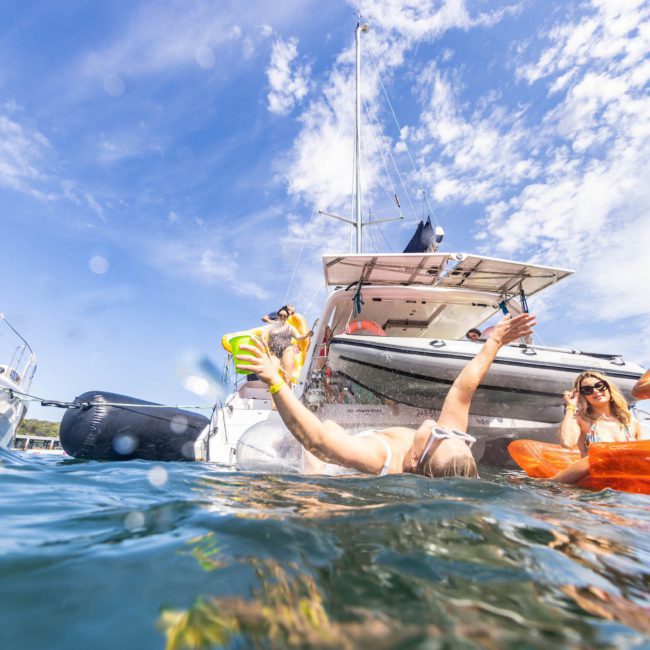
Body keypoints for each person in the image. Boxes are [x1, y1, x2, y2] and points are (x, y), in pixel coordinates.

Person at [237, 313, 536, 478]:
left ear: (415, 459)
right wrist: (494, 342)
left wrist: (274, 381)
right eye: (456, 435)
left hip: (324, 467)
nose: (442, 429)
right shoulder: (444, 442)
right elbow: (462, 391)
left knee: (317, 458)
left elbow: (318, 443)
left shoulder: (382, 458)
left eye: (440, 437)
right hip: (347, 442)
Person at [552, 371, 643, 484]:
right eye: (587, 390)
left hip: (626, 484)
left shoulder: (629, 421)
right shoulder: (581, 420)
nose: (595, 391)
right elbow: (567, 442)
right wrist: (571, 406)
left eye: (599, 386)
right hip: (593, 486)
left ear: (608, 388)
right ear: (583, 396)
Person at [265, 306, 313, 382]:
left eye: (285, 316)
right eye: (281, 315)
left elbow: (298, 337)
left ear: (287, 317)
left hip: (286, 350)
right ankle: (276, 391)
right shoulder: (271, 327)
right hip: (274, 352)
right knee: (272, 376)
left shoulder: (290, 327)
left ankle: (288, 390)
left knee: (287, 376)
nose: (282, 317)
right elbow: (265, 338)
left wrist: (307, 335)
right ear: (277, 316)